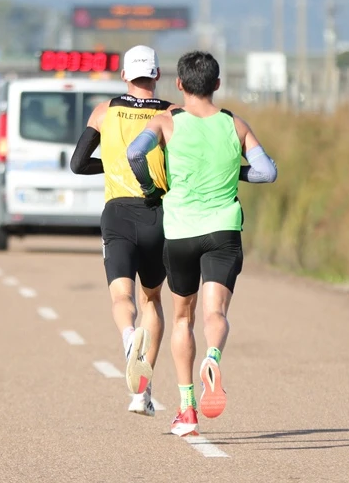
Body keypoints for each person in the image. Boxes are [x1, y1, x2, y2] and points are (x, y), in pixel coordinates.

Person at [125, 50, 278, 437]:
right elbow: (267, 171)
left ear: (178, 84)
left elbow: (134, 152)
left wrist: (151, 185)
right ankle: (213, 357)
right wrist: (233, 172)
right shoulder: (235, 125)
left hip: (180, 231)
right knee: (216, 315)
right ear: (218, 84)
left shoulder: (167, 122)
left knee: (182, 318)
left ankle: (187, 409)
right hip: (224, 229)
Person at [69, 44, 176, 417]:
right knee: (153, 301)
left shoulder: (104, 111)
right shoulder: (171, 114)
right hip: (158, 214)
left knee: (121, 298)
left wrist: (113, 164)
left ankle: (129, 340)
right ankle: (141, 393)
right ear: (158, 75)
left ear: (125, 76)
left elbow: (78, 164)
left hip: (117, 214)